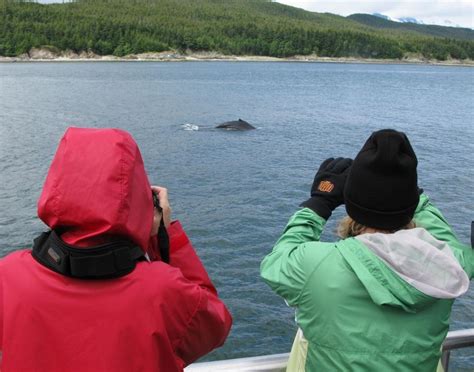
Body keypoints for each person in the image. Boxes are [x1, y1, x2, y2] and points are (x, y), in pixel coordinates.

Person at [0, 127, 232, 372]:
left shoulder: (8, 276)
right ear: (137, 196)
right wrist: (165, 236)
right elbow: (215, 325)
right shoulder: (164, 291)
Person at [260, 129, 473, 371]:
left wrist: (319, 202)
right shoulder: (450, 266)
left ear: (351, 203)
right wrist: (400, 185)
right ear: (410, 203)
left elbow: (276, 262)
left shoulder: (317, 266)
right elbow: (445, 237)